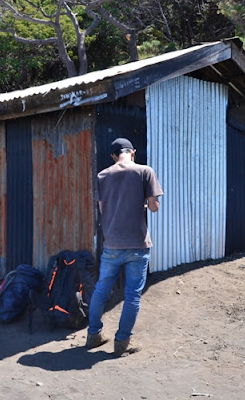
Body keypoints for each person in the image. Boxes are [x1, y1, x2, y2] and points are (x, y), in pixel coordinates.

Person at [85, 137, 163, 357]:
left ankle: (93, 336)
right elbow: (155, 207)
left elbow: (102, 209)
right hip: (138, 244)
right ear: (133, 152)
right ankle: (121, 343)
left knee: (101, 290)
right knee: (132, 296)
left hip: (112, 244)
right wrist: (144, 202)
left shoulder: (103, 175)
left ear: (113, 156)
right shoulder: (145, 171)